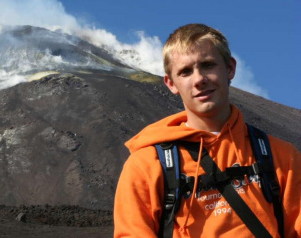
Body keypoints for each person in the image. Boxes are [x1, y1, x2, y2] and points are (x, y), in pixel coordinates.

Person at [113, 23, 300, 237]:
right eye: (185, 71)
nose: (199, 79)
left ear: (230, 68)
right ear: (171, 83)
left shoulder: (282, 157)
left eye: (208, 65)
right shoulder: (146, 165)